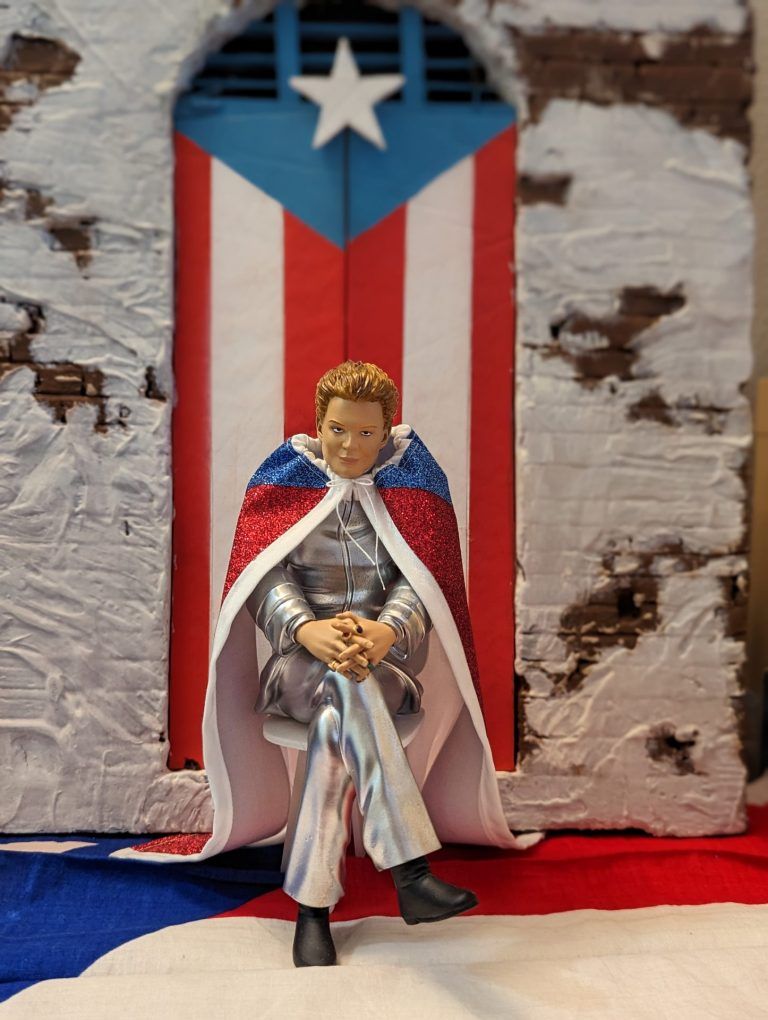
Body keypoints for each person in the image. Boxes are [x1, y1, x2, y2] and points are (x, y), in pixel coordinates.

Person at [246, 361, 476, 966]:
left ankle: (312, 910)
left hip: (382, 668)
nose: (349, 446)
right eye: (338, 429)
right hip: (298, 667)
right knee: (339, 689)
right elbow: (261, 575)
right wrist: (306, 628)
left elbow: (422, 578)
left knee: (338, 716)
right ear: (319, 425)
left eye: (366, 433)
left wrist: (387, 629)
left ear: (386, 433)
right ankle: (409, 870)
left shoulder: (412, 489)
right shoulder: (287, 483)